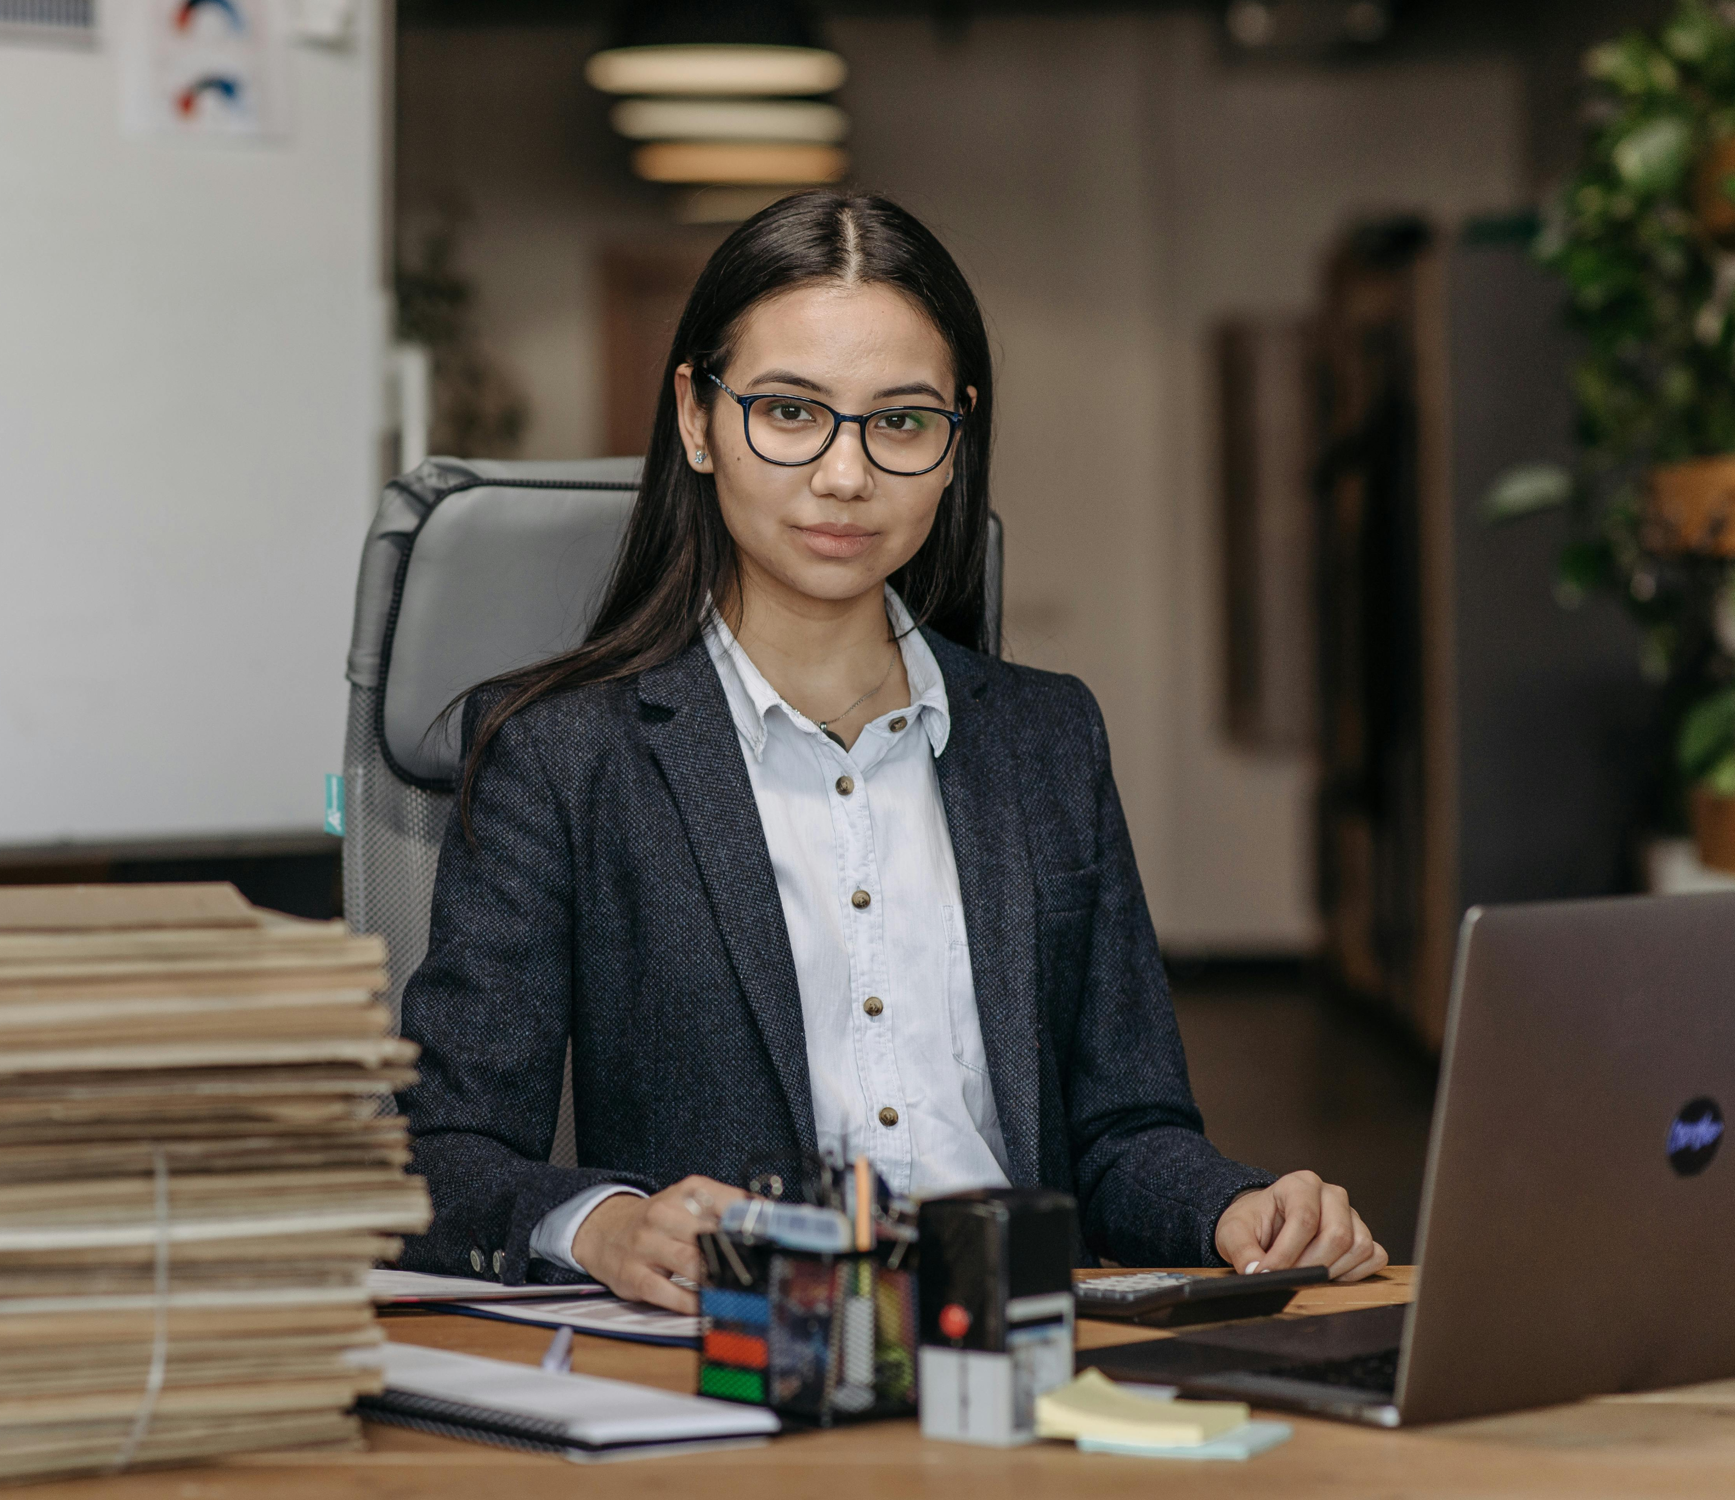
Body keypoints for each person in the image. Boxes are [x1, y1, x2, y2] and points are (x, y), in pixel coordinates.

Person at [398, 190, 1388, 1313]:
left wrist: (1229, 1207)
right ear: (695, 416)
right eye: (788, 411)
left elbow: (1121, 1133)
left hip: (1024, 1361)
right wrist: (606, 1226)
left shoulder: (1044, 738)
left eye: (901, 422)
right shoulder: (561, 756)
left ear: (955, 440)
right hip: (745, 1373)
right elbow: (444, 1157)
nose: (844, 475)